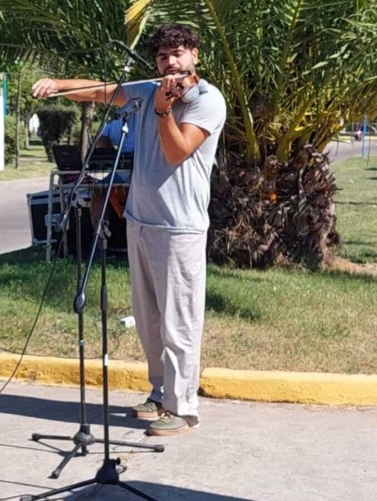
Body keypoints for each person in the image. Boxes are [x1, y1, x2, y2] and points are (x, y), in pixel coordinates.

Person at [32, 24, 226, 436]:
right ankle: (160, 393)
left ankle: (183, 407)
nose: (170, 63)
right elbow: (103, 90)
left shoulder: (207, 101)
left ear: (194, 55)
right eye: (162, 57)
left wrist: (161, 109)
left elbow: (176, 151)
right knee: (148, 319)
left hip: (180, 227)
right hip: (141, 220)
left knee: (179, 322)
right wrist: (59, 85)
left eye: (177, 53)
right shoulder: (146, 90)